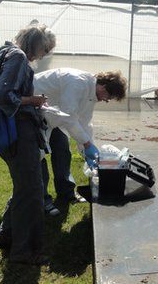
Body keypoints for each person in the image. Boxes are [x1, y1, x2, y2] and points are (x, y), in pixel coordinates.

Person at [0, 24, 56, 266]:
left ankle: (7, 237)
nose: (44, 55)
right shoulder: (17, 57)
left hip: (13, 132)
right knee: (32, 192)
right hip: (18, 132)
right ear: (36, 44)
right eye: (45, 49)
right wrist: (33, 100)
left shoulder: (3, 52)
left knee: (24, 188)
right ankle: (24, 252)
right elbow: (3, 96)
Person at [33, 68, 127, 214]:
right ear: (103, 87)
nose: (106, 100)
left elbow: (84, 122)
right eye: (108, 97)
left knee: (63, 152)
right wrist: (87, 144)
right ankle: (43, 201)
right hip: (33, 113)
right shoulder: (77, 82)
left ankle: (66, 193)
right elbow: (68, 118)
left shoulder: (91, 92)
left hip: (53, 116)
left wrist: (89, 152)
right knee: (38, 158)